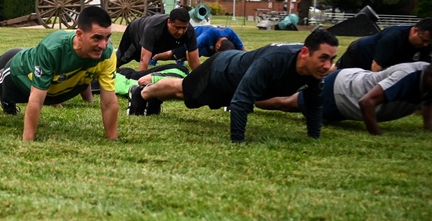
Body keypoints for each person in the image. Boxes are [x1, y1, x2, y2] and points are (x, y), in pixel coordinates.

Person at [129, 28, 339, 143]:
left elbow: (314, 104)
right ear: (304, 53)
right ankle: (142, 94)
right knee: (183, 90)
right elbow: (241, 102)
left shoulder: (314, 70)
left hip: (234, 76)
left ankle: (150, 95)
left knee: (185, 93)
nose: (327, 66)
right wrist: (238, 142)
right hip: (220, 70)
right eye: (323, 58)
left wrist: (314, 138)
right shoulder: (274, 61)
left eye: (331, 59)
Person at [0, 5, 119, 142]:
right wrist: (28, 141)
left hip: (55, 89)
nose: (103, 45)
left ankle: (7, 100)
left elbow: (109, 102)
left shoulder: (107, 54)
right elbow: (36, 99)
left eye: (107, 37)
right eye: (97, 38)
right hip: (22, 73)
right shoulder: (53, 48)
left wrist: (112, 139)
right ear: (79, 34)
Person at [256, 56, 432, 135]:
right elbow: (366, 102)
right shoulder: (408, 77)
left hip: (348, 93)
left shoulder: (428, 79)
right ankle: (249, 100)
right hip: (341, 91)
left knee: (294, 101)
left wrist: (429, 130)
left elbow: (427, 101)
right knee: (289, 103)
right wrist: (377, 134)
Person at [335, 18, 432, 71]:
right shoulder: (393, 37)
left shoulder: (425, 44)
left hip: (379, 62)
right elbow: (376, 68)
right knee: (338, 75)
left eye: (428, 42)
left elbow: (425, 68)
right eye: (423, 40)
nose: (425, 45)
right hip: (359, 52)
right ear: (415, 31)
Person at [116, 7, 200, 71]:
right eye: (177, 28)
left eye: (184, 28)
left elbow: (194, 60)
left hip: (158, 43)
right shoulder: (153, 28)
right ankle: (105, 72)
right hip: (136, 31)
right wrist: (140, 85)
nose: (181, 32)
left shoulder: (189, 31)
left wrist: (200, 80)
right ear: (169, 22)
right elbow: (144, 60)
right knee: (123, 58)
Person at [169, 25, 245, 59]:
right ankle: (156, 56)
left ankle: (180, 62)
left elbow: (243, 51)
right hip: (189, 38)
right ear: (218, 46)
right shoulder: (208, 34)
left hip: (207, 46)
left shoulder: (231, 33)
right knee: (173, 55)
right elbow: (190, 52)